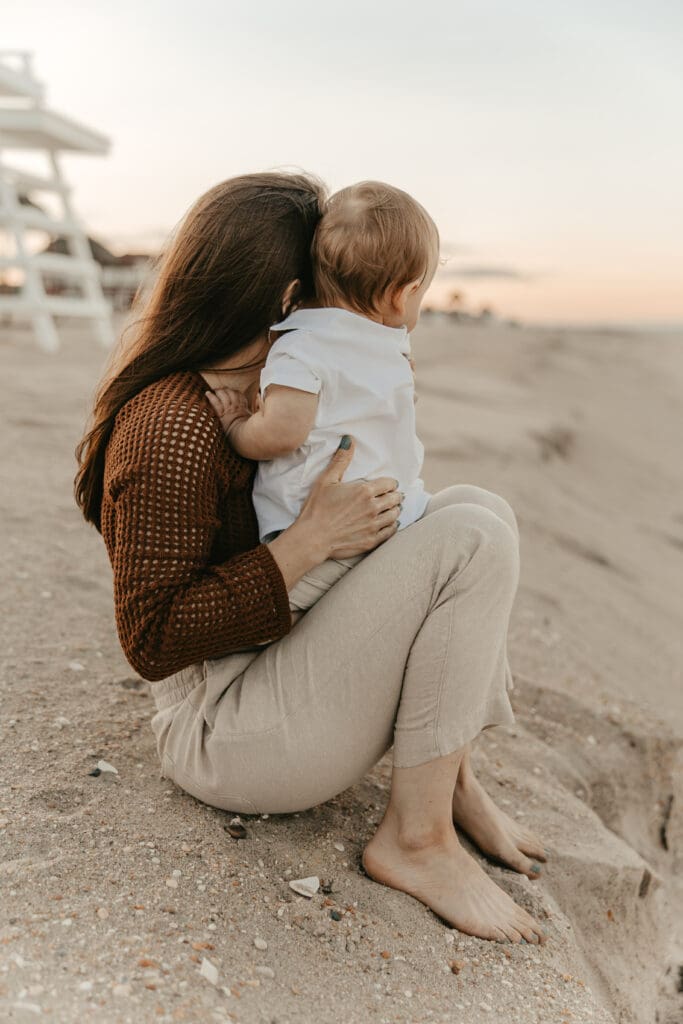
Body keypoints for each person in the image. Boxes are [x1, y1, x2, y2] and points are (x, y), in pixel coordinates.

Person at [75, 170, 547, 944]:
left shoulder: (278, 388)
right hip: (221, 733)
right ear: (290, 293)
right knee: (471, 540)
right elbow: (152, 642)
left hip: (269, 668)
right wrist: (308, 545)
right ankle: (415, 842)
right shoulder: (175, 426)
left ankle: (450, 780)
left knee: (475, 508)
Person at [206, 181, 436, 617]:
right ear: (401, 295)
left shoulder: (304, 346)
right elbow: (286, 433)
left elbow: (279, 430)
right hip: (370, 525)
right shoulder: (387, 350)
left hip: (339, 539)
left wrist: (239, 423)